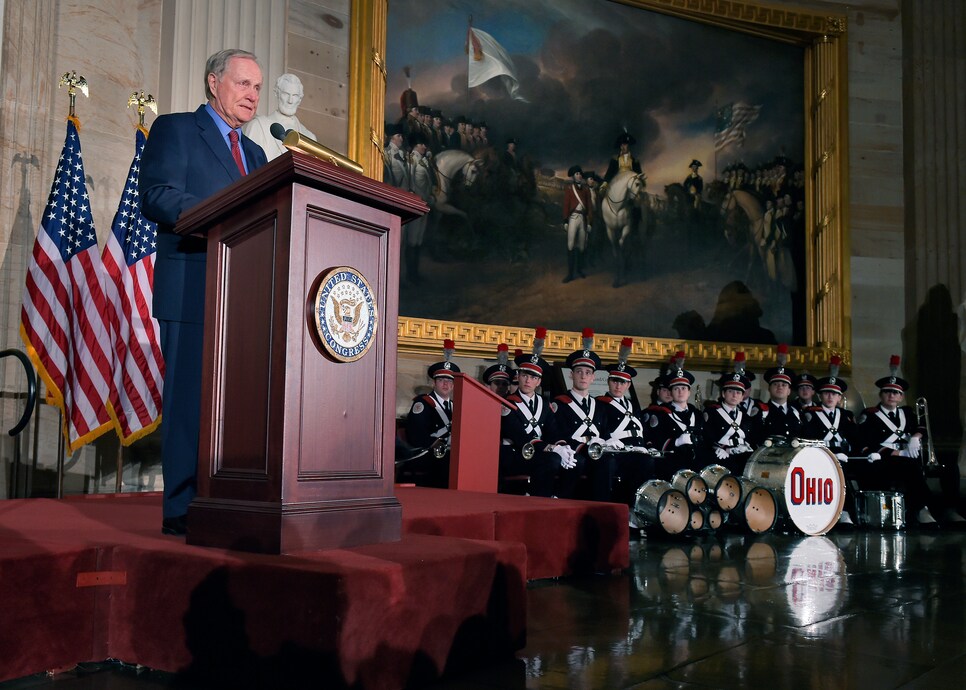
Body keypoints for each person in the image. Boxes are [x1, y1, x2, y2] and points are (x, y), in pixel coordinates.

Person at [140, 48, 269, 536]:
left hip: (243, 296)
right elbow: (158, 195)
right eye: (243, 84)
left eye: (257, 88)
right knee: (190, 404)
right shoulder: (175, 129)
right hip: (193, 286)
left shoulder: (256, 154)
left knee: (234, 405)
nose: (252, 95)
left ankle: (225, 497)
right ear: (214, 83)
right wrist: (228, 211)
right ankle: (181, 508)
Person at [855, 356, 940, 526]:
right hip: (885, 461)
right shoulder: (870, 415)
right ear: (881, 395)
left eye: (896, 393)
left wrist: (915, 438)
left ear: (901, 397)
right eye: (887, 392)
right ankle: (924, 509)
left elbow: (922, 428)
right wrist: (898, 452)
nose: (892, 395)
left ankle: (946, 510)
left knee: (949, 468)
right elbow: (866, 442)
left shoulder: (907, 413)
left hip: (910, 457)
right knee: (910, 468)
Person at [500, 329, 563, 497]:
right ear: (518, 376)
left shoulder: (544, 403)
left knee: (575, 462)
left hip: (538, 452)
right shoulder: (507, 403)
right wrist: (551, 448)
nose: (528, 380)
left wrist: (563, 447)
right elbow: (518, 436)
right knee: (552, 459)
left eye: (533, 377)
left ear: (539, 382)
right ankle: (540, 502)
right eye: (525, 375)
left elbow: (553, 431)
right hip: (516, 455)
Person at [799, 357, 861, 525]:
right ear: (820, 395)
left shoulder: (846, 416)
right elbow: (808, 437)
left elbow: (855, 438)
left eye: (834, 394)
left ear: (840, 398)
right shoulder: (811, 413)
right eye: (827, 393)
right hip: (820, 455)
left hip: (843, 456)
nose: (830, 397)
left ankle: (845, 512)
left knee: (846, 477)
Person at [552, 330, 609, 500]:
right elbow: (558, 433)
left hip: (596, 453)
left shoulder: (599, 405)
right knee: (577, 462)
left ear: (593, 377)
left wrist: (603, 441)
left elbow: (605, 432)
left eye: (587, 372)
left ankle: (600, 510)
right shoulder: (560, 403)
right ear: (571, 375)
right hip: (573, 451)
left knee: (608, 462)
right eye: (579, 371)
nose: (583, 376)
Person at [403, 340, 459, 488]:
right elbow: (416, 434)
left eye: (449, 381)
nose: (445, 384)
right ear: (433, 383)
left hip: (449, 453)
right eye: (441, 380)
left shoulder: (456, 407)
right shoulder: (423, 403)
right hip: (427, 454)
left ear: (453, 385)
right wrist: (437, 444)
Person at [647, 353, 704, 478]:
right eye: (676, 388)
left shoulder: (698, 414)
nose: (680, 392)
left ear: (689, 392)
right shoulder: (661, 413)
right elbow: (656, 441)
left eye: (684, 388)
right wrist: (676, 442)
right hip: (672, 464)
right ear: (671, 392)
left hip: (697, 464)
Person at [242, 73, 315, 161]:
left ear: (299, 99)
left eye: (295, 96)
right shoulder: (259, 125)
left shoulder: (309, 137)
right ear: (277, 94)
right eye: (286, 94)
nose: (290, 101)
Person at [701, 367, 756, 475]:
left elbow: (751, 438)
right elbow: (706, 438)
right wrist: (722, 448)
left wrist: (746, 447)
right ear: (723, 394)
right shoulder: (712, 413)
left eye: (738, 392)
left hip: (741, 459)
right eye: (730, 391)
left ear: (742, 397)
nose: (734, 395)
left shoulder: (745, 416)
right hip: (719, 457)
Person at [405, 132, 434, 284]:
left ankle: (416, 274)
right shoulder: (412, 160)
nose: (424, 146)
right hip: (416, 204)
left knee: (418, 240)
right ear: (416, 145)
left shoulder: (424, 161)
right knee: (412, 240)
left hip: (425, 204)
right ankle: (411, 275)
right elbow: (411, 183)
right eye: (421, 144)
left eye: (425, 144)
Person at [759, 345, 801, 443]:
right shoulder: (762, 411)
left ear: (789, 391)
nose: (780, 387)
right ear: (769, 388)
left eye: (784, 385)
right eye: (775, 384)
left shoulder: (796, 411)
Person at [562, 165, 593, 283]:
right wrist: (565, 220)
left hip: (583, 219)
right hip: (573, 218)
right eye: (577, 174)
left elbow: (589, 207)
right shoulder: (569, 189)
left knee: (581, 246)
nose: (579, 176)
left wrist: (590, 222)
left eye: (580, 174)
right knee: (570, 245)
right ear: (573, 176)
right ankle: (570, 274)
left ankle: (579, 270)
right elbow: (566, 205)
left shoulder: (586, 190)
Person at [382, 124, 410, 189]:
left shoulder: (403, 153)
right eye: (398, 136)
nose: (401, 139)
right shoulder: (387, 153)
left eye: (401, 136)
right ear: (391, 137)